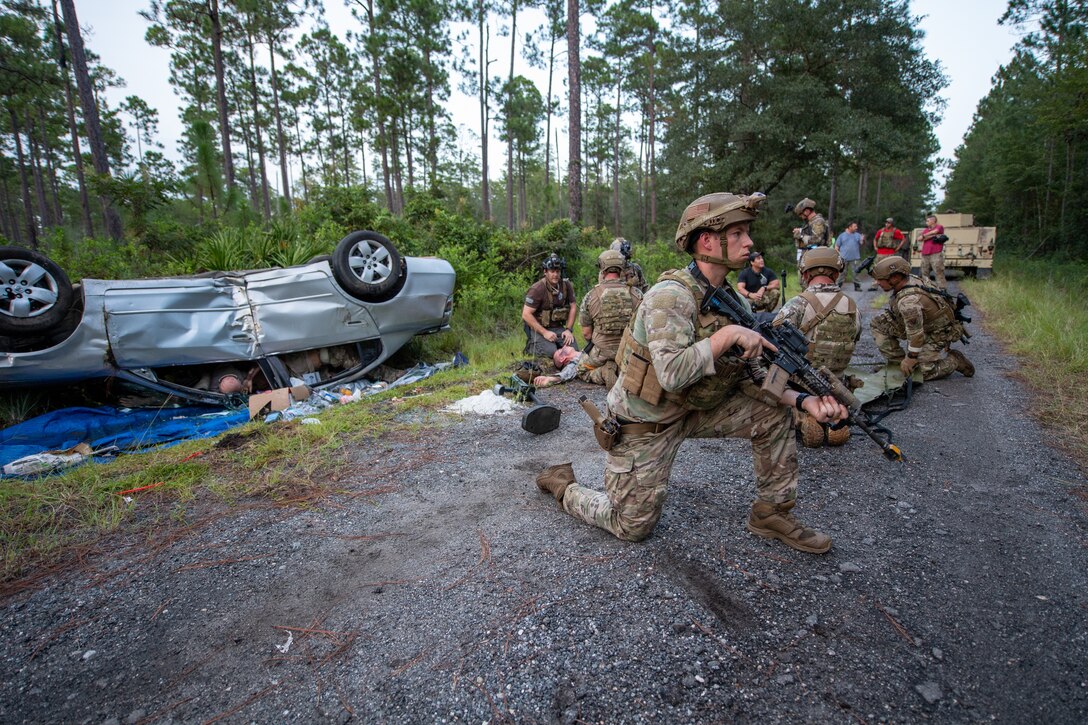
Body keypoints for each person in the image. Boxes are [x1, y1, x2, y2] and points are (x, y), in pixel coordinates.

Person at [535, 191, 847, 554]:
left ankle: (771, 512)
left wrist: (804, 400)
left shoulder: (736, 302)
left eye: (747, 233)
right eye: (737, 234)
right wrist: (728, 335)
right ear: (707, 240)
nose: (749, 242)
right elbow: (671, 373)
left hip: (695, 409)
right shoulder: (671, 297)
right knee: (631, 526)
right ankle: (563, 485)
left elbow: (753, 377)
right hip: (646, 422)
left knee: (774, 412)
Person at [773, 248, 861, 448]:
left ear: (805, 274)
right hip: (835, 383)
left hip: (802, 383)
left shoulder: (797, 304)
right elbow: (854, 339)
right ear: (837, 274)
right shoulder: (852, 306)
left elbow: (775, 345)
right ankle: (834, 416)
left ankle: (805, 416)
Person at [870, 256, 974, 381]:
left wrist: (911, 357)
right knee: (879, 324)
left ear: (895, 277)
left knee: (920, 373)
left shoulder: (909, 303)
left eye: (881, 279)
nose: (877, 283)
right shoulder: (911, 279)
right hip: (924, 325)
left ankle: (955, 360)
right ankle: (898, 364)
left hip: (936, 332)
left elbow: (916, 335)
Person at [522, 253, 578, 359]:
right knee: (551, 353)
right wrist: (544, 332)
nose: (555, 275)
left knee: (574, 351)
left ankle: (557, 345)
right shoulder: (537, 289)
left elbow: (573, 306)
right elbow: (526, 314)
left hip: (558, 328)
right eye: (552, 271)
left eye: (557, 271)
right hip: (540, 328)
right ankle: (532, 347)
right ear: (545, 272)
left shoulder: (566, 285)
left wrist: (569, 330)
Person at [791, 198, 831, 263]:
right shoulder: (810, 223)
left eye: (801, 214)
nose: (800, 216)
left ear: (807, 211)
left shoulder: (818, 221)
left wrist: (801, 236)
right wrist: (800, 233)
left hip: (818, 258)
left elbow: (817, 239)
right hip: (811, 257)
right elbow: (803, 243)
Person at [918, 214, 947, 290]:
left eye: (927, 221)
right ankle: (926, 287)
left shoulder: (939, 227)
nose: (926, 222)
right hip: (925, 253)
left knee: (938, 271)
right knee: (924, 272)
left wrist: (925, 236)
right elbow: (920, 238)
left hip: (936, 253)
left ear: (933, 221)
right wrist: (930, 235)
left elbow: (936, 231)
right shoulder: (926, 230)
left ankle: (942, 288)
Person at [834, 220, 863, 291]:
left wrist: (862, 240)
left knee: (856, 272)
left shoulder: (858, 235)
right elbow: (837, 246)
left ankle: (857, 286)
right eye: (854, 226)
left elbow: (861, 244)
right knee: (842, 272)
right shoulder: (842, 235)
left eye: (856, 226)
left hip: (855, 257)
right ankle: (838, 286)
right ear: (850, 227)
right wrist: (839, 254)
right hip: (844, 258)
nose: (856, 228)